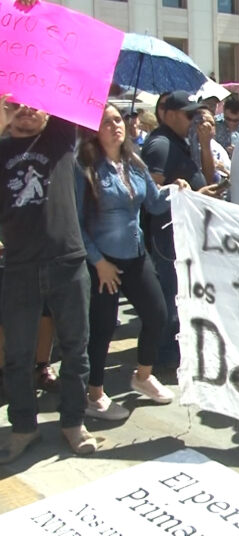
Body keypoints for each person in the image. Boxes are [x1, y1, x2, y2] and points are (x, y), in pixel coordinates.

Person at [0, 90, 97, 462]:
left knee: (76, 349)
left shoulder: (58, 140)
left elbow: (70, 89)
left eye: (33, 102)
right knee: (19, 355)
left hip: (67, 263)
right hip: (20, 268)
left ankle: (73, 422)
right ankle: (23, 427)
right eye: (17, 103)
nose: (26, 109)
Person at [76, 104, 185, 420]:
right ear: (92, 130)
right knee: (103, 327)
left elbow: (152, 201)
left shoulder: (134, 162)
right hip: (103, 262)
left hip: (136, 253)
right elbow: (77, 223)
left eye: (118, 119)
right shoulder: (84, 168)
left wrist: (178, 192)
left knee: (157, 314)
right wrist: (98, 262)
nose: (115, 125)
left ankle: (142, 376)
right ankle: (94, 395)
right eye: (106, 121)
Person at [141, 90, 220, 370]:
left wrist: (205, 143)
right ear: (170, 114)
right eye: (189, 114)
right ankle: (164, 357)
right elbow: (150, 196)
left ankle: (175, 352)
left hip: (185, 231)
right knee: (171, 297)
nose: (193, 119)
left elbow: (207, 177)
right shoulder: (160, 144)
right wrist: (194, 193)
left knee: (183, 294)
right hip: (167, 234)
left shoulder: (182, 141)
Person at [189, 108, 231, 183]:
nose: (207, 126)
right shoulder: (189, 145)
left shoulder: (218, 148)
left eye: (211, 124)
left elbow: (231, 176)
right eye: (202, 122)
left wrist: (223, 169)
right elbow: (207, 180)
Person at [214, 92, 239, 158]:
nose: (231, 123)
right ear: (223, 110)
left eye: (236, 121)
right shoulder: (214, 124)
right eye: (228, 119)